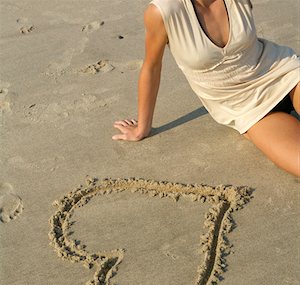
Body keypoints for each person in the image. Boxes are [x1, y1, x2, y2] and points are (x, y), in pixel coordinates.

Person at [112, 0, 300, 177]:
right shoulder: (164, 11)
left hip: (285, 72)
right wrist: (142, 128)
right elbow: (151, 66)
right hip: (247, 108)